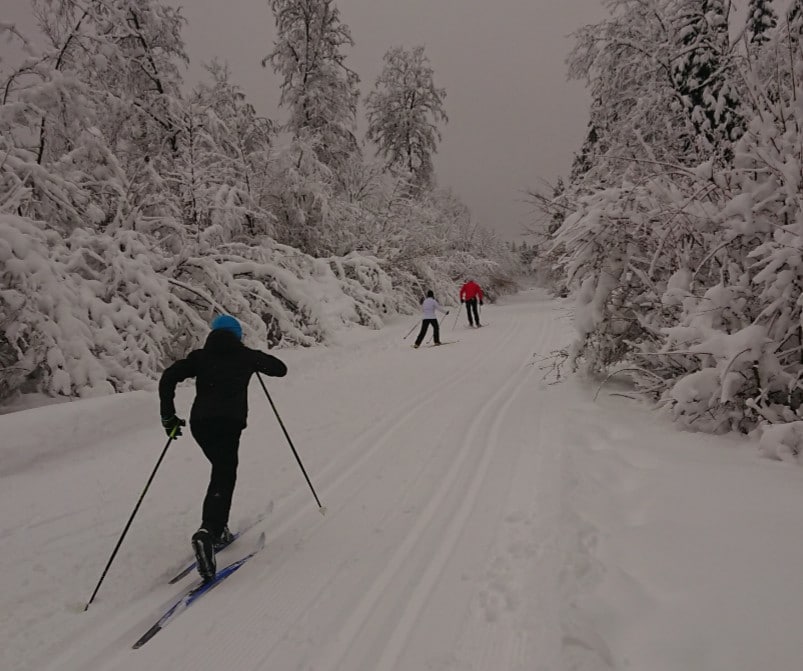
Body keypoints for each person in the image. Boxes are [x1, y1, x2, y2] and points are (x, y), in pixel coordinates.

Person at [158, 314, 287, 581]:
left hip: (201, 426)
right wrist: (255, 358)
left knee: (221, 470)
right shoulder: (245, 355)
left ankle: (218, 525)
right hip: (229, 425)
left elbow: (168, 377)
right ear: (237, 335)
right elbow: (281, 368)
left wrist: (168, 417)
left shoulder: (200, 357)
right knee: (224, 474)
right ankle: (208, 532)